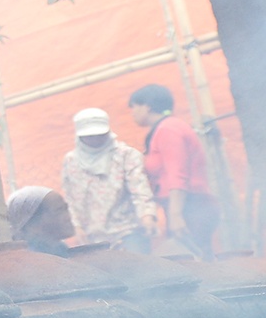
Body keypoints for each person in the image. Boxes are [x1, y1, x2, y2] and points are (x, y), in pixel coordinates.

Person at [129, 83, 219, 258]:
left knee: (192, 261)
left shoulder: (168, 129)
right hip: (187, 206)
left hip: (191, 207)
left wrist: (177, 215)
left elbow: (177, 174)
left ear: (147, 106)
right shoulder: (165, 128)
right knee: (194, 260)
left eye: (133, 106)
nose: (132, 112)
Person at [60, 106, 158, 249]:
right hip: (91, 238)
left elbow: (139, 188)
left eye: (100, 135)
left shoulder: (126, 155)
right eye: (90, 136)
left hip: (127, 232)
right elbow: (70, 198)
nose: (96, 140)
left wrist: (147, 216)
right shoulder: (71, 161)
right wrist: (76, 227)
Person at [6, 186, 75, 255]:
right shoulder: (29, 256)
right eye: (58, 211)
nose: (68, 217)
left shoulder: (60, 249)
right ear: (32, 224)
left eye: (65, 209)